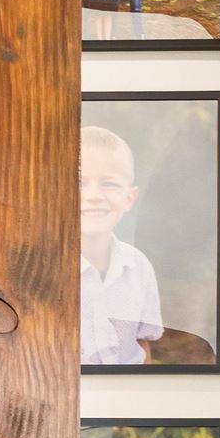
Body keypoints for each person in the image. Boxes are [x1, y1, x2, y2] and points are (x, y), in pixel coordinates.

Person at [78, 125, 165, 366]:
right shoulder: (38, 269)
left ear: (129, 198)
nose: (93, 195)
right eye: (79, 182)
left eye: (109, 184)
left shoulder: (139, 266)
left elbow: (142, 343)